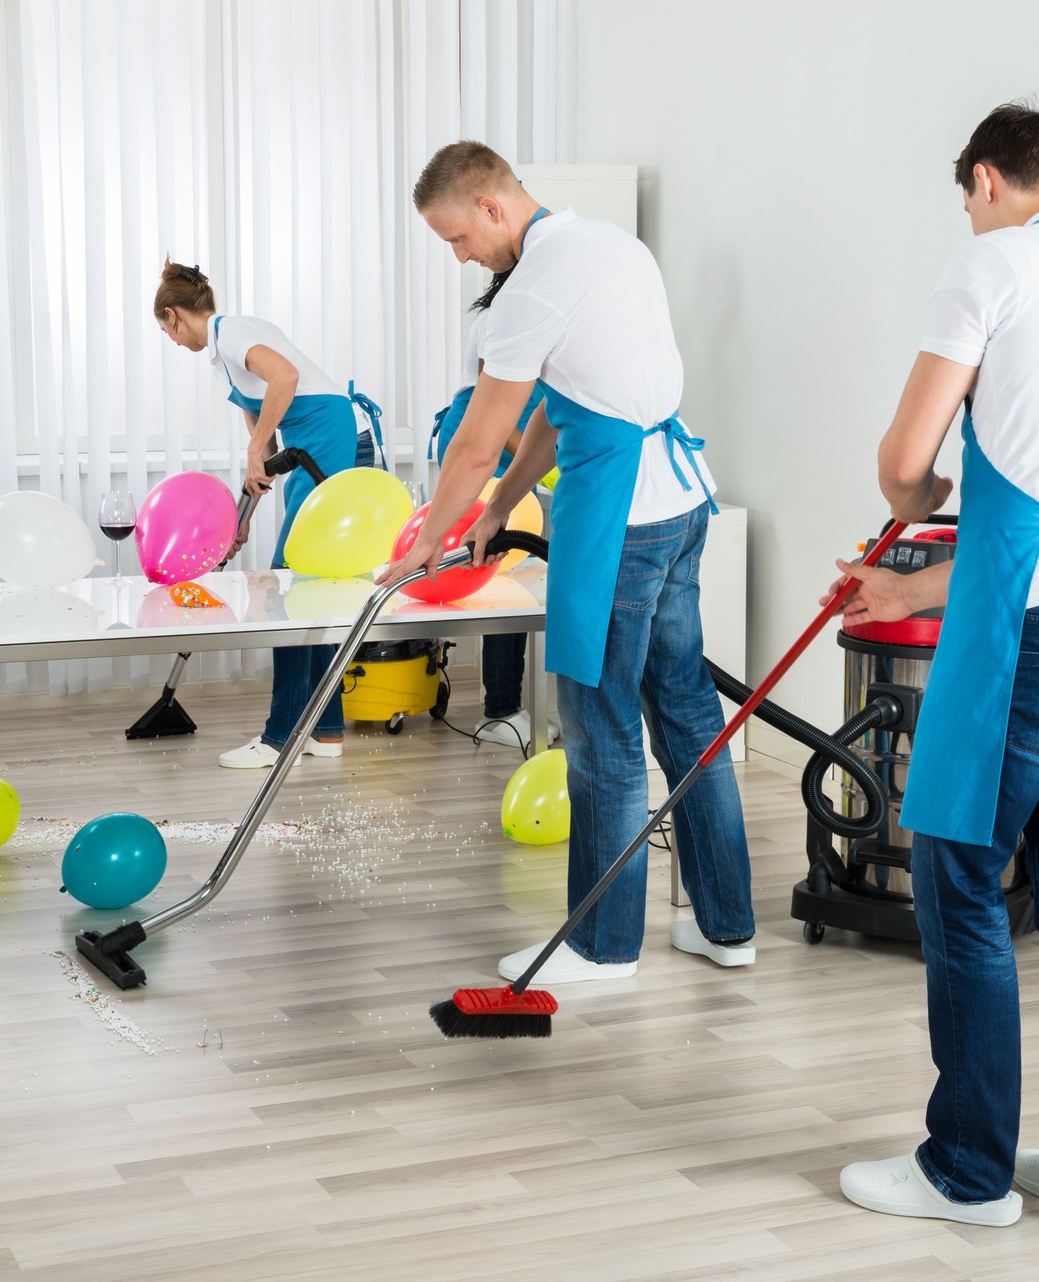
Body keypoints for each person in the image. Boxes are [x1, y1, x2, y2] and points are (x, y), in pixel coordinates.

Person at [833, 104, 1039, 1234]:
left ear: (986, 181)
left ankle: (967, 1170)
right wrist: (915, 589)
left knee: (960, 876)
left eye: (966, 198)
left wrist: (911, 508)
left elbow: (904, 462)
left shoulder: (990, 266)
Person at [385, 142, 754, 983]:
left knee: (601, 729)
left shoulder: (534, 288)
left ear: (491, 208)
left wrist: (427, 542)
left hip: (620, 524)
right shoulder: (611, 247)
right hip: (681, 505)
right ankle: (727, 927)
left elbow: (476, 442)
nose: (461, 257)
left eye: (458, 239)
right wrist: (491, 510)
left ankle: (601, 944)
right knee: (691, 718)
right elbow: (561, 404)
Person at [152, 260, 382, 769]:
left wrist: (257, 449)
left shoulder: (232, 335)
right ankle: (325, 731)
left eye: (165, 330)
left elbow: (287, 377)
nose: (170, 340)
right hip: (310, 444)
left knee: (288, 588)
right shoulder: (222, 358)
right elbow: (266, 444)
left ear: (172, 315)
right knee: (312, 589)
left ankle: (280, 737)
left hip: (331, 435)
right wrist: (245, 515)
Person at [428, 271, 555, 748]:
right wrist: (535, 461)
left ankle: (506, 706)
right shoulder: (503, 315)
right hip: (488, 437)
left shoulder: (530, 314)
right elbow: (493, 413)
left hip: (511, 439)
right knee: (498, 571)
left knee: (511, 574)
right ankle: (500, 710)